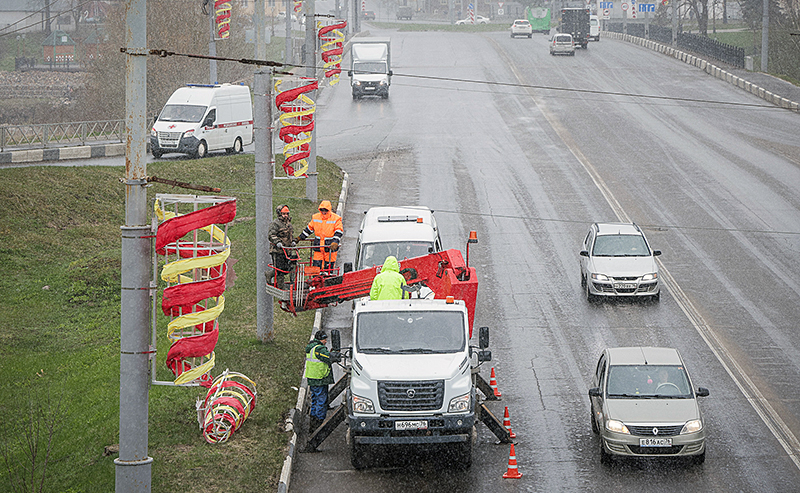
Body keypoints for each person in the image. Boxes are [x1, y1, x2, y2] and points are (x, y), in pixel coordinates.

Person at [296, 200, 343, 273]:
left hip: (330, 249)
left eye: (325, 210)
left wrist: (335, 242)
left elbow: (339, 231)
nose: (323, 212)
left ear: (329, 210)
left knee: (328, 271)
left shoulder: (336, 219)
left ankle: (327, 282)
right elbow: (309, 230)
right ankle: (315, 282)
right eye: (322, 210)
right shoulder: (316, 217)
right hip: (318, 249)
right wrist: (299, 238)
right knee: (316, 269)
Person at [305, 330, 335, 433]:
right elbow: (328, 358)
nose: (326, 341)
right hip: (319, 379)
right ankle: (318, 424)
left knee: (315, 400)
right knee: (321, 401)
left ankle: (312, 422)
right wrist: (334, 355)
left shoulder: (311, 347)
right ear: (319, 339)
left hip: (313, 378)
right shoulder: (319, 349)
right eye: (324, 339)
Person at [267, 204, 297, 289]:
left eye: (287, 214)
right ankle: (281, 285)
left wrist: (293, 241)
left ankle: (292, 284)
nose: (286, 216)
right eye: (284, 214)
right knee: (280, 269)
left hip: (287, 250)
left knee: (290, 266)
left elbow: (290, 236)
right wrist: (277, 242)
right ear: (279, 214)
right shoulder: (275, 224)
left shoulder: (289, 224)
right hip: (277, 251)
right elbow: (271, 235)